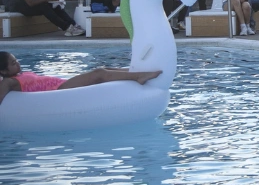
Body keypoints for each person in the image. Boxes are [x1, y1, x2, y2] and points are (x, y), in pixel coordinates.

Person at [0, 51, 160, 106]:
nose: (18, 64)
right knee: (99, 73)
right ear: (3, 71)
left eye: (16, 60)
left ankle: (135, 71)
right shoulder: (9, 82)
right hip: (57, 91)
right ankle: (138, 76)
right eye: (13, 63)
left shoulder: (17, 75)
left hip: (61, 84)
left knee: (104, 69)